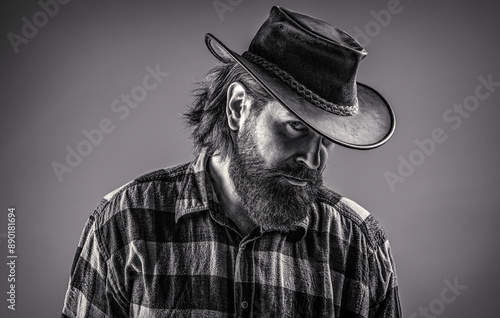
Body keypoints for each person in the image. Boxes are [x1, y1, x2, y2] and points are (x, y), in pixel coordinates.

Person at [61, 6, 401, 318]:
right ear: (238, 108)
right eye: (296, 127)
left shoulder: (359, 244)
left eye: (327, 138)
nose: (314, 159)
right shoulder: (124, 224)